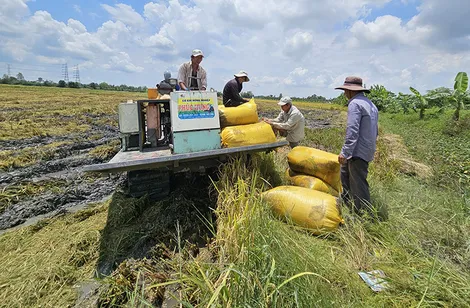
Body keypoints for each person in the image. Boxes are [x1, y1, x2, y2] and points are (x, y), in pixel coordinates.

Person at [335, 76, 379, 216]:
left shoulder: (354, 104)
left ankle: (363, 216)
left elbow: (352, 130)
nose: (344, 93)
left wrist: (345, 152)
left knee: (358, 183)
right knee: (345, 175)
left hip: (357, 151)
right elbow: (375, 129)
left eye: (345, 90)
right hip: (366, 148)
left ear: (350, 91)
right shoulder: (370, 104)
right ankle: (347, 205)